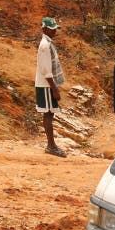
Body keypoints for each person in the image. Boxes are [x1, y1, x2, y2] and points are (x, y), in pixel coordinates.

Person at [35, 16, 66, 157]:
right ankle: (51, 146)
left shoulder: (48, 43)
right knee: (48, 113)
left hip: (47, 84)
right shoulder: (44, 46)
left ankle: (51, 145)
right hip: (46, 85)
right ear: (44, 29)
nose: (55, 31)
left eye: (55, 29)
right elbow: (46, 70)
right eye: (52, 29)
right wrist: (54, 89)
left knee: (50, 113)